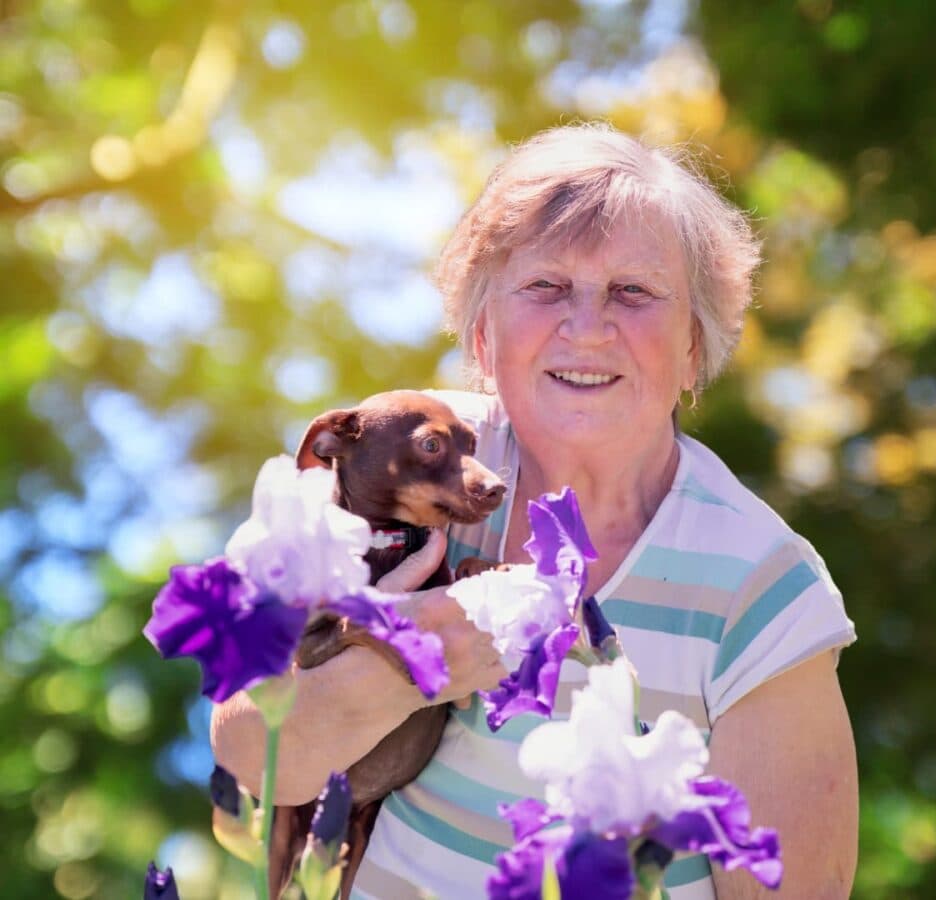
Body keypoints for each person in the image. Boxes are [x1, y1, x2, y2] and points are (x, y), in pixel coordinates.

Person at [211, 124, 858, 899]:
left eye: (634, 291)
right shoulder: (407, 458)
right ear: (484, 336)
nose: (586, 326)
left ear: (694, 346)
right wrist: (409, 662)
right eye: (546, 286)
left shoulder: (761, 585)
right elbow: (247, 752)